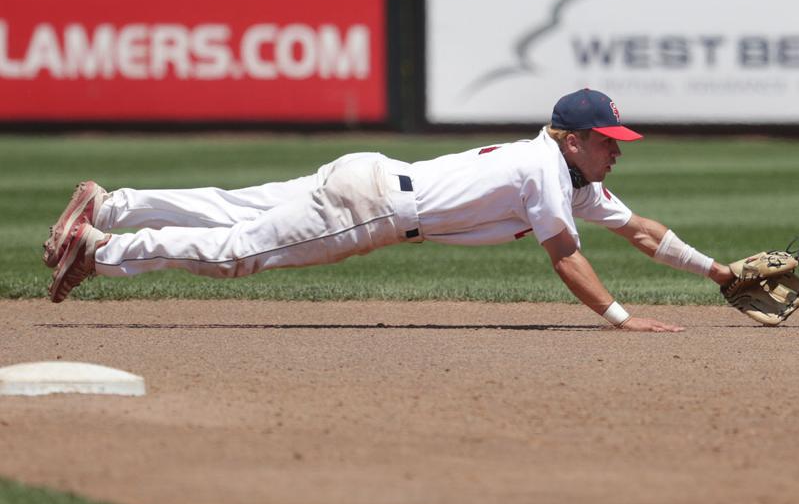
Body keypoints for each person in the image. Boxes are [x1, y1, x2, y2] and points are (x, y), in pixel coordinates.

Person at [43, 89, 736, 332]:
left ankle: (113, 204)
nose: (617, 154)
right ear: (576, 139)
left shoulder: (567, 176)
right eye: (608, 143)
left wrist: (721, 274)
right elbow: (565, 255)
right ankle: (100, 249)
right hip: (372, 206)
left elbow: (641, 230)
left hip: (371, 176)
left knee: (235, 207)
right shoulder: (544, 172)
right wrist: (619, 318)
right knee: (240, 251)